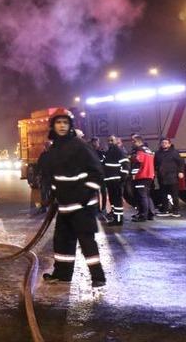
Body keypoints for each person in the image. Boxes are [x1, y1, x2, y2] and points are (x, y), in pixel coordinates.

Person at [41, 109, 106, 287]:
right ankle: (62, 274)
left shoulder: (80, 145)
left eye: (65, 122)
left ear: (70, 125)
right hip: (64, 205)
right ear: (53, 126)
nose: (62, 126)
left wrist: (84, 196)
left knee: (86, 241)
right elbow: (55, 177)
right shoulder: (55, 148)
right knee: (62, 241)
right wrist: (55, 195)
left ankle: (98, 277)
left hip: (82, 205)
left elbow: (97, 173)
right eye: (58, 122)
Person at [155, 137, 186, 217]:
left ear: (169, 144)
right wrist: (156, 171)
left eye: (165, 142)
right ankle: (165, 210)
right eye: (162, 143)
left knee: (174, 194)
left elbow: (181, 162)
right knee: (163, 194)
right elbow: (155, 163)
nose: (164, 144)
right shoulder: (158, 153)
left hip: (172, 177)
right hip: (162, 177)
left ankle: (176, 211)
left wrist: (180, 172)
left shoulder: (174, 152)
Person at [103, 135, 130, 226]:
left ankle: (118, 220)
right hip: (110, 181)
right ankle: (115, 217)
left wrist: (122, 178)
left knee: (117, 200)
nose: (110, 142)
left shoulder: (118, 150)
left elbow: (126, 164)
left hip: (116, 181)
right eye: (108, 140)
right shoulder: (109, 152)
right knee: (113, 200)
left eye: (112, 140)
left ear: (116, 141)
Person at [130, 134, 157, 222]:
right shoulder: (148, 150)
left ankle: (143, 215)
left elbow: (138, 162)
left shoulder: (139, 150)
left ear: (138, 141)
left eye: (133, 141)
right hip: (149, 175)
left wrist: (133, 174)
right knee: (147, 195)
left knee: (142, 196)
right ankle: (150, 214)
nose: (132, 143)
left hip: (142, 175)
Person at [90, 137, 109, 219]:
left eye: (96, 142)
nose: (95, 144)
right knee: (95, 193)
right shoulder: (90, 153)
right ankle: (97, 209)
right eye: (94, 142)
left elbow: (105, 163)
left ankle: (103, 208)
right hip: (94, 176)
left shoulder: (101, 153)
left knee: (103, 192)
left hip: (102, 175)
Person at [35, 141, 52, 214]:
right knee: (45, 193)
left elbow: (39, 166)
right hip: (47, 177)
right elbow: (39, 166)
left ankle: (46, 207)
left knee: (45, 193)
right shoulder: (45, 155)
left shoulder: (46, 155)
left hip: (49, 177)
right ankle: (45, 207)